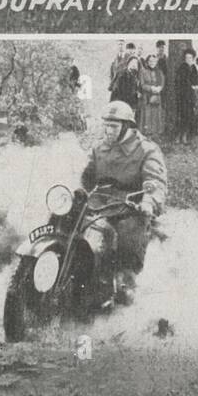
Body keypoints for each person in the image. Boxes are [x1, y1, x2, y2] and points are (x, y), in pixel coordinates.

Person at [80, 99, 167, 299]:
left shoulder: (147, 150)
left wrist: (148, 201)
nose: (108, 131)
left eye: (113, 126)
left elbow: (155, 181)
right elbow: (84, 175)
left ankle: (126, 283)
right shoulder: (99, 148)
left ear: (126, 126)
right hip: (100, 200)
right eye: (106, 125)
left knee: (128, 233)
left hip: (130, 204)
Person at [139, 50, 165, 137]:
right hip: (147, 96)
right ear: (147, 62)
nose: (152, 63)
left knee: (156, 114)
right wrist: (151, 88)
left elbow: (162, 82)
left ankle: (156, 134)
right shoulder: (143, 71)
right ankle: (147, 133)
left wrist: (159, 88)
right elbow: (142, 85)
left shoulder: (159, 72)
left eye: (154, 61)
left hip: (157, 96)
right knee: (147, 115)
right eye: (150, 61)